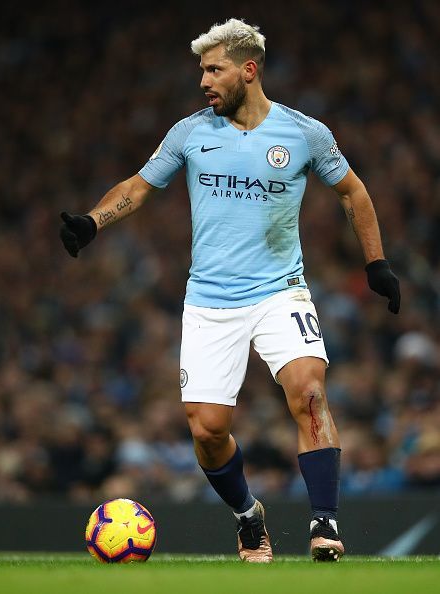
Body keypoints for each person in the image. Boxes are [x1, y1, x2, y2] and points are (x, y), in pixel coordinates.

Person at [60, 18, 400, 563]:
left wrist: (377, 263)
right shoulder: (189, 133)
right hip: (210, 302)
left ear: (248, 70)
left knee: (309, 390)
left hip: (279, 291)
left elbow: (353, 193)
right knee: (207, 430)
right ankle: (249, 517)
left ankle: (324, 522)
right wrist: (93, 222)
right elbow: (138, 188)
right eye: (201, 70)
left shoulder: (303, 133)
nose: (204, 80)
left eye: (214, 68)